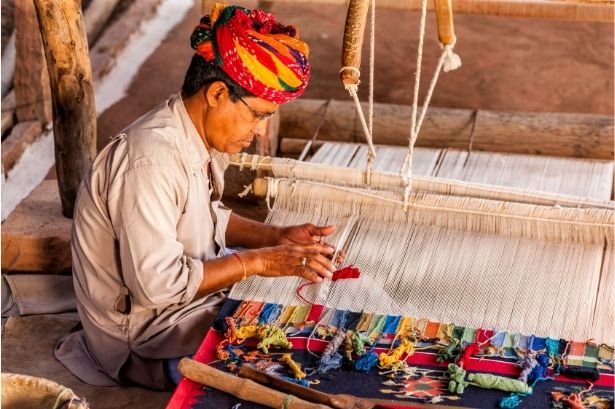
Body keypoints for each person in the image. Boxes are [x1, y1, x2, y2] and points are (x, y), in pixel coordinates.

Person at [55, 4, 343, 391]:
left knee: (328, 311)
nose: (260, 131)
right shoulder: (150, 162)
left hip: (181, 309)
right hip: (145, 337)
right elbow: (158, 286)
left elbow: (207, 217)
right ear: (218, 93)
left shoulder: (187, 134)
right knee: (302, 358)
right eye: (258, 115)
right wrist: (258, 262)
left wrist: (275, 237)